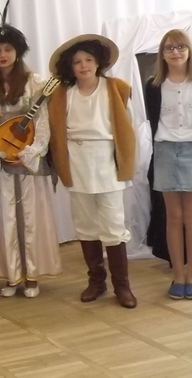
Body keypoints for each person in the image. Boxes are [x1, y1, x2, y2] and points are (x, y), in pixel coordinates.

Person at [48, 35, 137, 309]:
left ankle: (122, 285)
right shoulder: (63, 94)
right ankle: (96, 281)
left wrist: (126, 161)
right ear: (70, 67)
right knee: (85, 225)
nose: (84, 65)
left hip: (107, 161)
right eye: (77, 62)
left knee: (113, 225)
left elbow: (129, 126)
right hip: (77, 162)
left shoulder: (116, 88)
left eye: (88, 60)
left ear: (98, 63)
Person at [0, 24, 62, 297]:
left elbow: (43, 123)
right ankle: (11, 275)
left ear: (18, 51)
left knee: (31, 216)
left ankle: (32, 276)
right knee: (4, 217)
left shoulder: (34, 82)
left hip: (27, 159)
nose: (3, 55)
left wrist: (29, 153)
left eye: (8, 49)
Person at [144, 29, 192, 300]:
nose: (176, 52)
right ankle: (178, 275)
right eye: (169, 48)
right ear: (162, 54)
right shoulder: (153, 85)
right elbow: (152, 119)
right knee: (173, 216)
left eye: (180, 47)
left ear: (189, 50)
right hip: (165, 151)